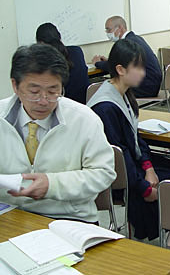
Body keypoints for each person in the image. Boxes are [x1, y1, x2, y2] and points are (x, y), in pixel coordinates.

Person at [0, 44, 116, 223]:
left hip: (69, 218)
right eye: (34, 92)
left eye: (53, 91)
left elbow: (103, 173)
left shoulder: (83, 119)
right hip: (11, 215)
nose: (44, 101)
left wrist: (52, 185)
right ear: (15, 85)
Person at [88, 39, 170, 240]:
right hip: (118, 178)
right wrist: (145, 187)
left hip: (133, 167)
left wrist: (149, 168)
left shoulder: (124, 94)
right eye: (138, 67)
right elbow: (120, 156)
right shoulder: (106, 106)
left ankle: (167, 231)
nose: (143, 73)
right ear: (120, 69)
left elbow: (135, 139)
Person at [92, 16, 162, 98]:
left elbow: (112, 67)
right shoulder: (135, 38)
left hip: (144, 87)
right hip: (152, 84)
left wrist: (97, 63)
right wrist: (109, 60)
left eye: (109, 30)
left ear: (120, 28)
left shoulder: (127, 43)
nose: (107, 33)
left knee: (107, 87)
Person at [36, 23, 89, 104]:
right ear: (59, 36)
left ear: (41, 43)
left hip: (63, 107)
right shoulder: (76, 50)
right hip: (84, 103)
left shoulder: (44, 60)